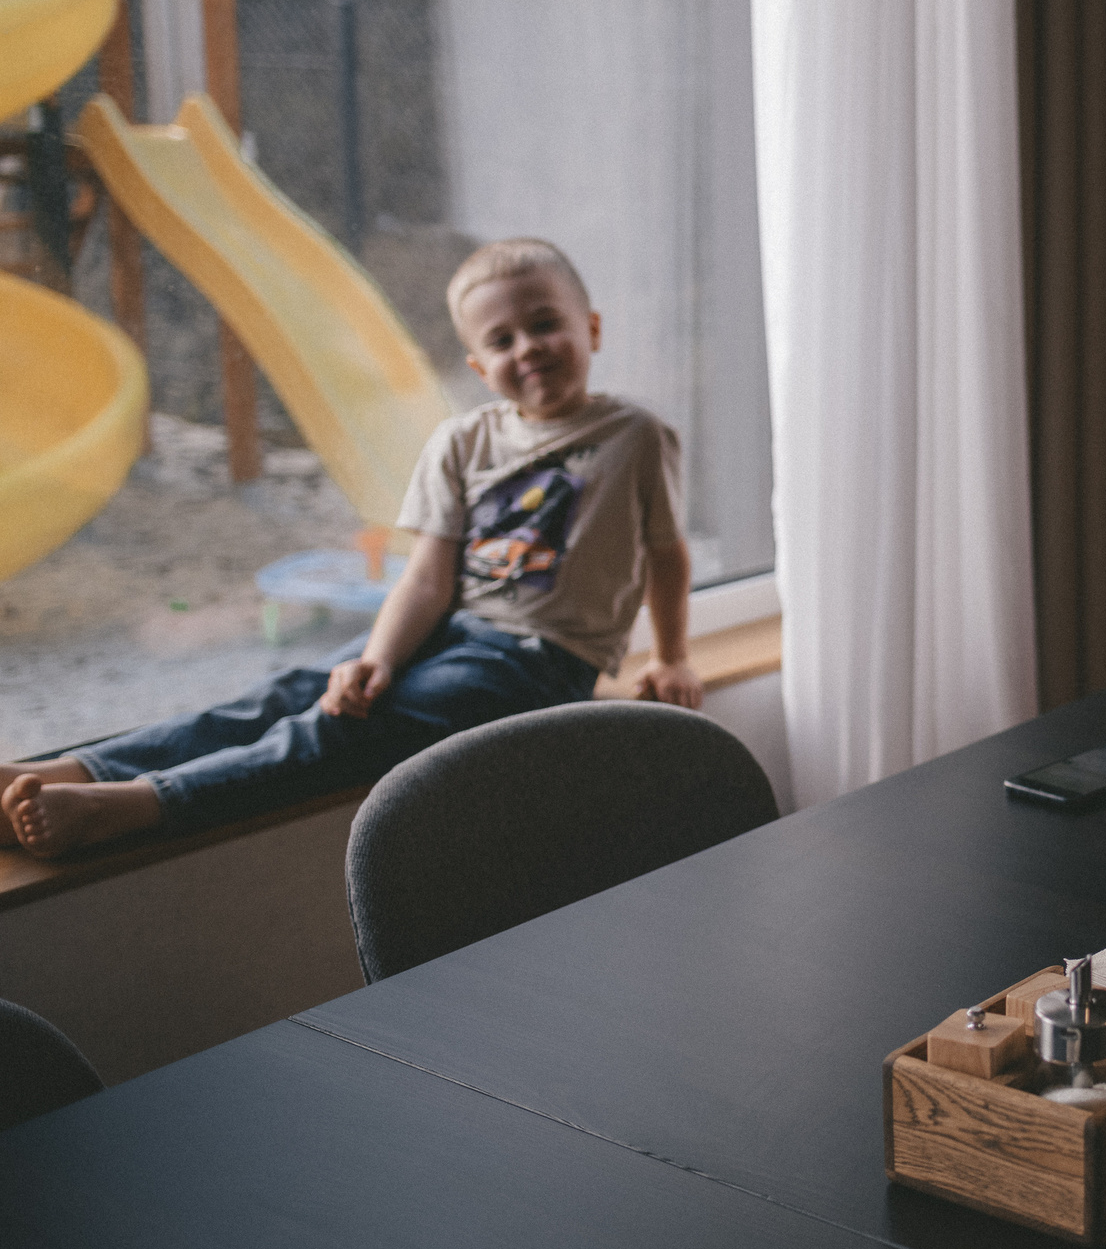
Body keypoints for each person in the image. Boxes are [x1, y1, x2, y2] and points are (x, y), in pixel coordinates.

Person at [2, 238, 702, 858]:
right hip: (445, 628)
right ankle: (79, 771)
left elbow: (666, 555)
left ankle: (140, 804)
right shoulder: (462, 442)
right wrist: (376, 658)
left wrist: (671, 656)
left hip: (538, 664)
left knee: (334, 734)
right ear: (478, 365)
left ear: (593, 327)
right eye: (502, 340)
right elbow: (426, 579)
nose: (528, 348)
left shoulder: (633, 437)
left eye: (546, 324)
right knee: (288, 693)